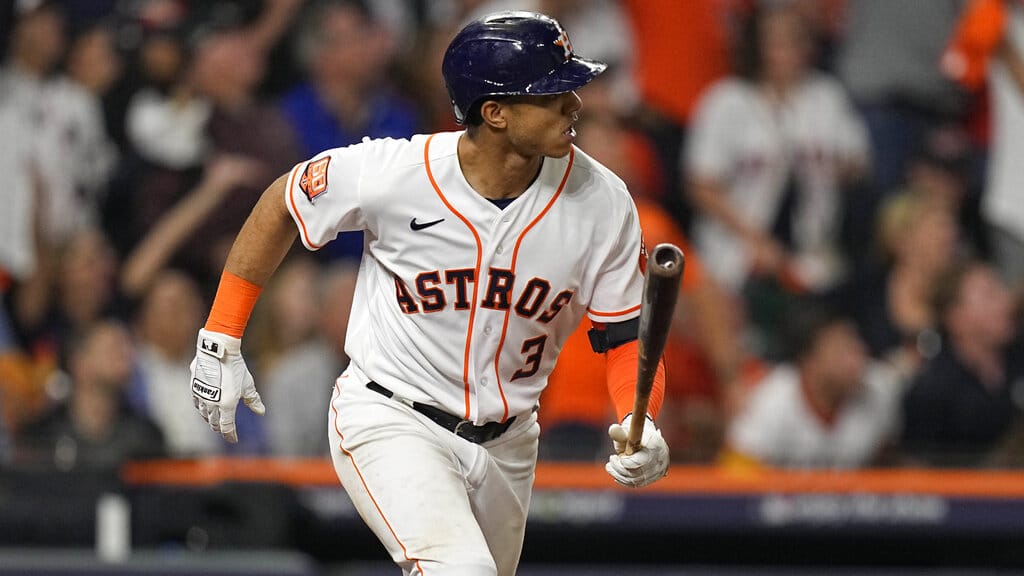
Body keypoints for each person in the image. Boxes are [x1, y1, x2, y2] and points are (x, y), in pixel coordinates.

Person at [189, 11, 670, 574]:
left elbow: (622, 336)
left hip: (509, 442)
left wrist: (643, 419)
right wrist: (221, 334)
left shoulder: (604, 202)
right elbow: (282, 202)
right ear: (494, 113)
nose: (574, 103)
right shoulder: (397, 172)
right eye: (551, 92)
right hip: (392, 413)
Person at [724, 306, 903, 469]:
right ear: (809, 361)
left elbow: (889, 466)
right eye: (841, 351)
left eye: (855, 346)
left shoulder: (880, 389)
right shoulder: (773, 400)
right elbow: (736, 481)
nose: (857, 359)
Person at [901, 261, 1024, 467]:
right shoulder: (931, 392)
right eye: (990, 295)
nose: (1005, 302)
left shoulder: (1018, 357)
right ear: (955, 317)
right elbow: (918, 475)